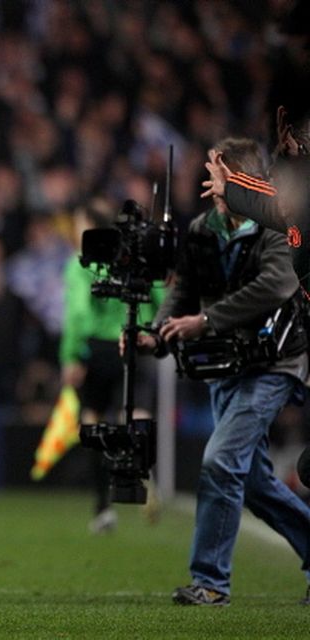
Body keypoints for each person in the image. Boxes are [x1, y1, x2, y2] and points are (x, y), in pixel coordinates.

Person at [136, 137, 310, 606]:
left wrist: (207, 320)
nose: (206, 182)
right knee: (252, 482)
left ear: (237, 178)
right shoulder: (202, 227)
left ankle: (210, 582)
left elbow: (279, 282)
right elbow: (183, 290)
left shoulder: (278, 225)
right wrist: (155, 332)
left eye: (215, 172)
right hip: (224, 366)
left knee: (219, 461)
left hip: (274, 362)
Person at [200, 95, 310, 487]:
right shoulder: (295, 214)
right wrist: (232, 188)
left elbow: (274, 202)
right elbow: (272, 204)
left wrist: (232, 185)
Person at [61, 198, 165, 534]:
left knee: (93, 421)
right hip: (136, 341)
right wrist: (157, 331)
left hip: (97, 349)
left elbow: (77, 313)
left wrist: (71, 356)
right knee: (136, 413)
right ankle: (145, 473)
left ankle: (103, 508)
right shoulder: (138, 259)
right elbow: (162, 298)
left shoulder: (81, 263)